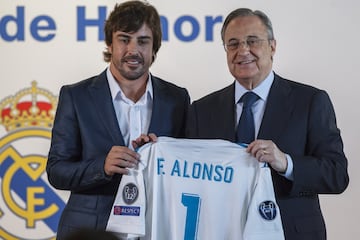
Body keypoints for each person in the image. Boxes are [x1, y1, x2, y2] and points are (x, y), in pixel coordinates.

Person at [186, 8, 349, 240]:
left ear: (272, 46)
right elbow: (186, 174)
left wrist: (287, 163)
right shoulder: (201, 110)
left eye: (252, 41)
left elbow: (337, 175)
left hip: (291, 233)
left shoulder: (310, 101)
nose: (243, 51)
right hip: (221, 232)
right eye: (233, 44)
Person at [46, 1, 190, 239]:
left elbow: (187, 170)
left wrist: (163, 154)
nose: (133, 50)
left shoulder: (177, 98)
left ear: (155, 47)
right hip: (91, 231)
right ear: (110, 44)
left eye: (143, 41)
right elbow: (56, 170)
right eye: (124, 39)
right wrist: (101, 166)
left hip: (156, 228)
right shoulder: (76, 96)